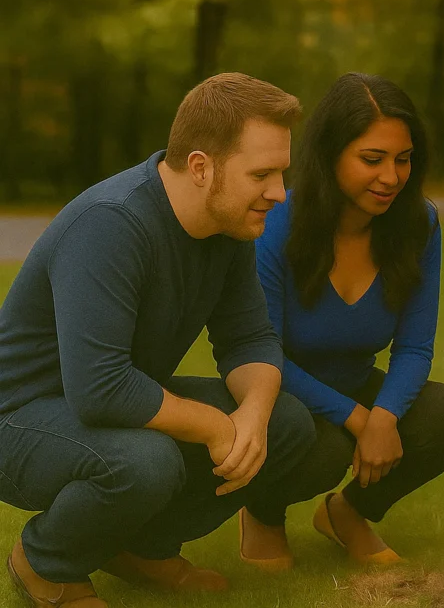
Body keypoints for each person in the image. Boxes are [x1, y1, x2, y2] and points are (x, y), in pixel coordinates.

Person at [0, 73, 317, 608]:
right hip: (18, 417)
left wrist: (252, 419)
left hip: (102, 405)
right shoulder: (112, 223)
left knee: (286, 425)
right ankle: (47, 561)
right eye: (261, 174)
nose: (279, 194)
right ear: (201, 166)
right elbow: (99, 387)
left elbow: (249, 339)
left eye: (282, 173)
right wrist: (218, 426)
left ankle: (140, 549)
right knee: (145, 461)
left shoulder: (229, 223)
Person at [238, 73, 444, 570]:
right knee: (322, 446)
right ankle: (262, 512)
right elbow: (263, 350)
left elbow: (413, 347)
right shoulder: (276, 223)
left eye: (403, 159)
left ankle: (348, 513)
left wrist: (384, 416)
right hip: (277, 396)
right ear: (329, 156)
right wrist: (359, 420)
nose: (391, 177)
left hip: (355, 385)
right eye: (372, 160)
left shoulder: (419, 225)